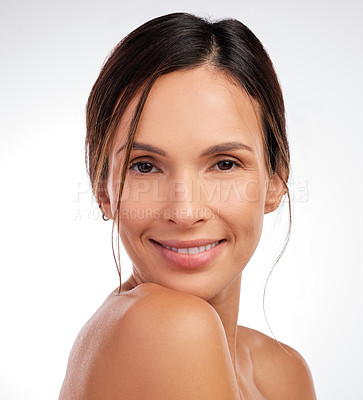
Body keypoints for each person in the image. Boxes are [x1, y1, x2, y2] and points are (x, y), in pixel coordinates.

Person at [59, 12, 316, 400]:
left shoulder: (282, 371)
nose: (185, 210)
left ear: (276, 181)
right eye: (144, 166)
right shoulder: (169, 329)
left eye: (224, 164)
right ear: (103, 189)